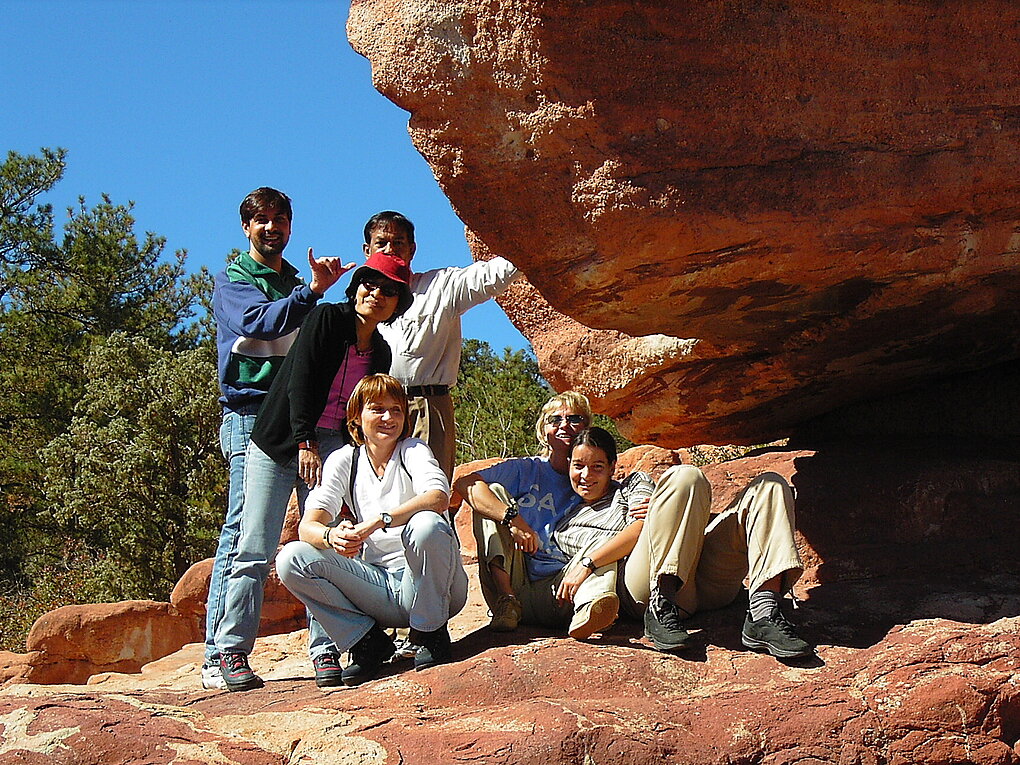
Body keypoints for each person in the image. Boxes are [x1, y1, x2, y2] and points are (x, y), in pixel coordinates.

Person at [214, 252, 413, 692]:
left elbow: (363, 409)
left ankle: (326, 648)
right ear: (356, 284)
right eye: (369, 283)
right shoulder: (326, 319)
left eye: (388, 291)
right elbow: (300, 378)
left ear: (398, 303)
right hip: (283, 438)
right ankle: (231, 649)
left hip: (333, 445)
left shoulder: (380, 349)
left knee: (324, 543)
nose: (375, 294)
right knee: (254, 546)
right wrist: (304, 441)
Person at [204, 187, 349, 690]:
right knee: (248, 534)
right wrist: (311, 292)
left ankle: (326, 648)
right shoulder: (233, 280)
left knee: (318, 530)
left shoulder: (294, 281)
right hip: (250, 415)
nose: (271, 227)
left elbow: (310, 354)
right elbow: (255, 324)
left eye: (280, 219)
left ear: (291, 225)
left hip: (302, 419)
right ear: (245, 227)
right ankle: (220, 654)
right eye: (261, 220)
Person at [554, 426, 812, 659]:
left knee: (769, 485)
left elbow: (643, 526)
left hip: (706, 579)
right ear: (569, 467)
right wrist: (592, 561)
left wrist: (654, 516)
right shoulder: (567, 524)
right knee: (684, 476)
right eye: (579, 466)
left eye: (598, 466)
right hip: (647, 586)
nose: (587, 475)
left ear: (612, 467)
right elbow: (635, 535)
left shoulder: (634, 483)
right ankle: (662, 605)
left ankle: (764, 613)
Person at [277, 374, 468, 687]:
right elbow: (308, 525)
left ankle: (430, 633)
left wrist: (380, 520)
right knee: (292, 558)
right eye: (378, 409)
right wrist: (331, 536)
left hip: (436, 588)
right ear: (356, 417)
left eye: (396, 410)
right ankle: (366, 642)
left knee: (426, 525)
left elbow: (438, 497)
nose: (388, 417)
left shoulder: (413, 451)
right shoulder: (343, 460)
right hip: (382, 588)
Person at [370, 211, 519, 481]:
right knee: (377, 492)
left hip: (428, 405)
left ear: (412, 249)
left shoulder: (441, 286)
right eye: (381, 243)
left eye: (398, 243)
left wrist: (529, 238)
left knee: (430, 493)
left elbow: (494, 275)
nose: (390, 250)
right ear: (366, 249)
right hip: (378, 409)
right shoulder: (361, 299)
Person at [454, 391, 592, 633]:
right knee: (492, 492)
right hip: (518, 581)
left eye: (574, 419)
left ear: (586, 427)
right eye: (555, 420)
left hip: (567, 586)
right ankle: (506, 600)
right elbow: (466, 484)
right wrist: (513, 519)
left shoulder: (593, 476)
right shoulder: (527, 469)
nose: (564, 426)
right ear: (543, 430)